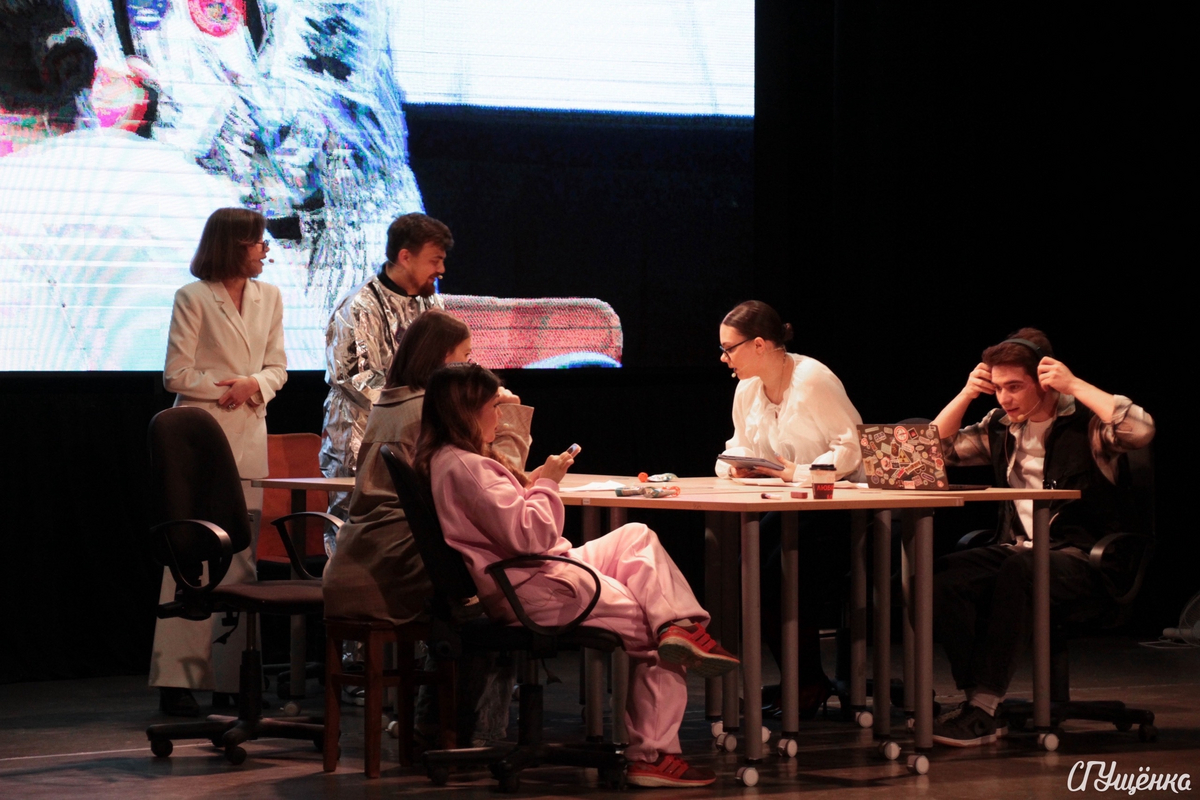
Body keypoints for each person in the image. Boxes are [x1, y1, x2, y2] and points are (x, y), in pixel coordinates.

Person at [416, 364, 739, 788]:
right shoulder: (469, 467)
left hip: (534, 575)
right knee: (652, 629)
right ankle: (653, 756)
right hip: (534, 586)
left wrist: (535, 481)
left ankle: (681, 625)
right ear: (468, 411)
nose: (499, 416)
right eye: (493, 407)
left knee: (635, 536)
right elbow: (530, 535)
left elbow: (504, 521)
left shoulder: (450, 459)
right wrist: (547, 484)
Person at [929, 328, 1155, 747]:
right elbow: (930, 454)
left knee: (1022, 568)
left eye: (1015, 387)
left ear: (1044, 381)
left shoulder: (1089, 424)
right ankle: (979, 702)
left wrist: (1075, 385)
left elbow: (1140, 431)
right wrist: (966, 394)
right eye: (998, 387)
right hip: (1021, 550)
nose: (1004, 398)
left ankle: (983, 708)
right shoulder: (1000, 427)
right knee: (944, 576)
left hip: (1086, 558)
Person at [322, 310, 529, 742]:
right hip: (398, 560)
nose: (472, 367)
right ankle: (471, 735)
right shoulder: (429, 410)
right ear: (443, 359)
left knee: (477, 585)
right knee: (501, 595)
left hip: (361, 553)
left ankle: (436, 725)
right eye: (466, 357)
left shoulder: (390, 401)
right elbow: (496, 479)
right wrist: (507, 413)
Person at [151, 207, 287, 717]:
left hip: (249, 436)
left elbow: (278, 366)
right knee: (189, 556)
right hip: (199, 439)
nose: (265, 250)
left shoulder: (270, 296)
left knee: (240, 555)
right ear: (233, 245)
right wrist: (226, 390)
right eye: (258, 242)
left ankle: (233, 679)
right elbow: (176, 374)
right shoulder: (193, 297)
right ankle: (177, 680)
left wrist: (256, 384)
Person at [715, 300, 863, 718]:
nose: (724, 358)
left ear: (759, 345)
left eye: (729, 349)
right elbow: (737, 446)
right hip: (791, 504)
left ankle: (809, 680)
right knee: (749, 568)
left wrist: (796, 472)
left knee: (782, 572)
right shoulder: (747, 389)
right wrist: (739, 466)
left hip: (838, 505)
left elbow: (850, 449)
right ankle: (801, 677)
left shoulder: (811, 379)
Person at [320, 212, 453, 523]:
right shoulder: (358, 306)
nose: (441, 270)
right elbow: (355, 379)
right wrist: (414, 410)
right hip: (362, 436)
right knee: (357, 526)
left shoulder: (432, 305)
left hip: (416, 436)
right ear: (405, 257)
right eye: (434, 261)